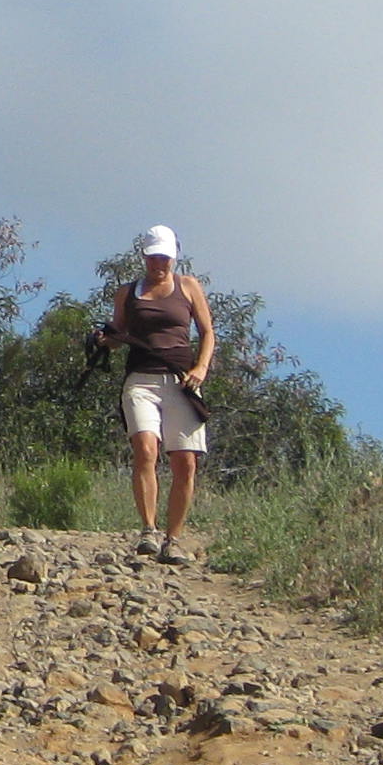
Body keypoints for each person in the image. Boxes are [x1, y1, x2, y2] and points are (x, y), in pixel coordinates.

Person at [93, 223, 216, 560]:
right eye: (153, 257)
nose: (158, 264)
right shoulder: (127, 292)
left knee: (185, 462)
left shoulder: (189, 287)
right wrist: (106, 340)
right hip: (141, 379)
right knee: (146, 449)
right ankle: (148, 530)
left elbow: (207, 332)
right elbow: (118, 334)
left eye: (164, 257)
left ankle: (173, 539)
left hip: (181, 381)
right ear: (144, 257)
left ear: (173, 257)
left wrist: (200, 368)